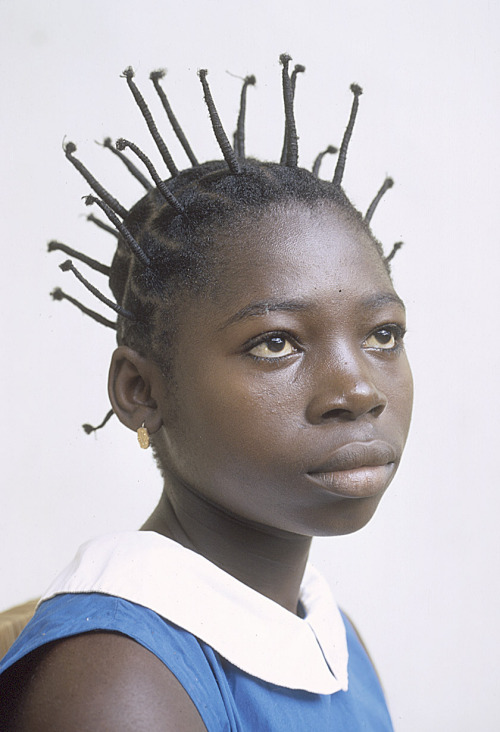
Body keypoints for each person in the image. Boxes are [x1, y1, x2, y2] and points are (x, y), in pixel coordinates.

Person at [0, 55, 413, 730]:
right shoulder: (116, 682)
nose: (360, 390)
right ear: (140, 390)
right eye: (276, 342)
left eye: (384, 334)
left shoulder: (330, 637)